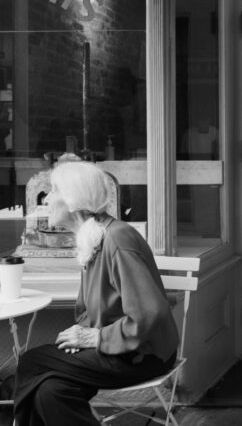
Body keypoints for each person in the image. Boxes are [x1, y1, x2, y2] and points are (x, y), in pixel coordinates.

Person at [13, 161, 179, 426]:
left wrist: (95, 337)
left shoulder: (117, 238)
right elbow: (93, 311)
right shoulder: (93, 237)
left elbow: (150, 313)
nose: (46, 198)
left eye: (54, 190)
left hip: (144, 354)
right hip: (115, 350)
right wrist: (85, 337)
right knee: (50, 392)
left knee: (32, 362)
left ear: (73, 200)